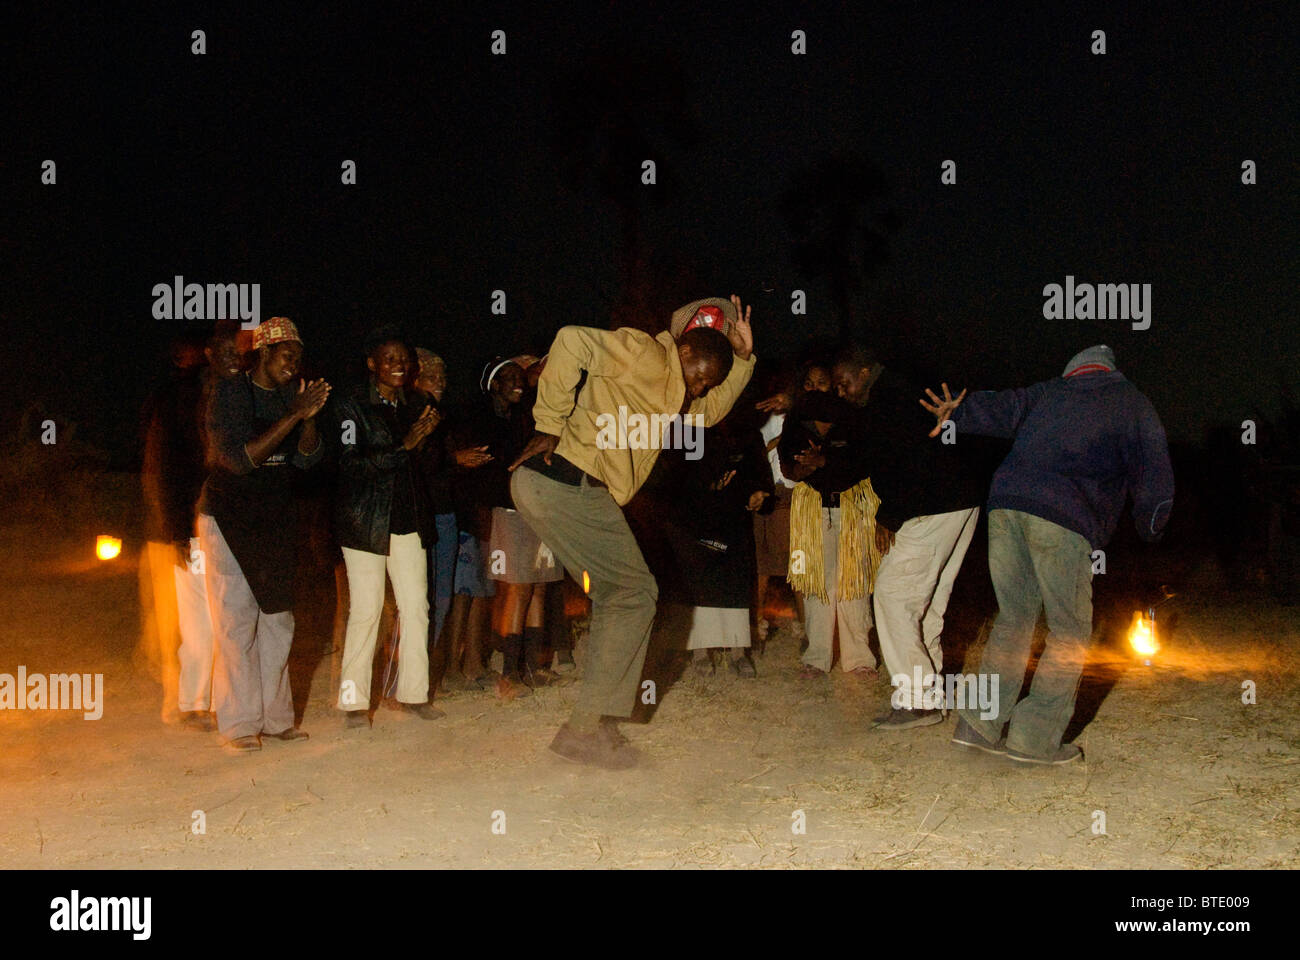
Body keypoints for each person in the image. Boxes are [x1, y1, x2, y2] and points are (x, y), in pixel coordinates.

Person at [509, 295, 756, 769]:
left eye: (711, 383)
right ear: (685, 348)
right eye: (702, 375)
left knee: (621, 595)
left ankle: (593, 723)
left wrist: (742, 361)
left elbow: (706, 416)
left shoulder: (674, 396)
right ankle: (585, 728)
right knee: (634, 593)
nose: (703, 388)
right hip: (563, 477)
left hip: (565, 488)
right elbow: (571, 340)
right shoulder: (644, 352)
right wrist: (548, 424)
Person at [924, 345, 1175, 765]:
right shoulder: (1132, 401)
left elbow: (1006, 405)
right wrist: (1153, 525)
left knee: (1014, 618)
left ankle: (978, 724)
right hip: (1064, 515)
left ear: (1072, 371)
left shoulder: (1051, 392)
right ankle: (1033, 739)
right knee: (1069, 630)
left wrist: (961, 412)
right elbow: (1155, 472)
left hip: (1005, 505)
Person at [830, 345, 984, 730]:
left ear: (864, 372)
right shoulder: (900, 388)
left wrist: (889, 518)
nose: (841, 391)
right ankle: (929, 692)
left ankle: (918, 701)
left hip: (934, 504)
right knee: (926, 600)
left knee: (894, 594)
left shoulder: (888, 400)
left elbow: (900, 460)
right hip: (963, 500)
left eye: (843, 382)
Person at [197, 317, 329, 753]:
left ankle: (275, 719)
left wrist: (308, 418)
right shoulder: (232, 392)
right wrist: (294, 414)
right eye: (286, 354)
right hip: (229, 518)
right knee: (237, 622)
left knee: (278, 620)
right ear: (264, 353)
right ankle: (238, 724)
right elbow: (239, 461)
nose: (294, 363)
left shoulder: (292, 396)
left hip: (274, 519)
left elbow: (308, 462)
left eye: (298, 355)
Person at [333, 328, 443, 728]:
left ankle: (414, 694)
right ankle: (354, 703)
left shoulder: (416, 404)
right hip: (365, 522)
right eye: (389, 358)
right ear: (372, 364)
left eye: (403, 359)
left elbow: (427, 469)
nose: (398, 364)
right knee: (366, 611)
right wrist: (406, 446)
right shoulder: (350, 406)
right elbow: (350, 465)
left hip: (407, 521)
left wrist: (427, 441)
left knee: (417, 608)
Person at [777, 380, 882, 680]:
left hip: (853, 509)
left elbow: (865, 465)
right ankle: (816, 658)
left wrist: (825, 461)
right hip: (812, 511)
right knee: (816, 585)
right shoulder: (796, 424)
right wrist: (804, 470)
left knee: (854, 583)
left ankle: (860, 659)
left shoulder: (854, 422)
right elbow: (787, 468)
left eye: (826, 384)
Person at [481, 356, 565, 697]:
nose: (521, 382)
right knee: (518, 589)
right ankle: (508, 675)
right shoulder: (502, 419)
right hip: (513, 511)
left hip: (542, 510)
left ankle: (530, 667)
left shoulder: (536, 411)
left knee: (539, 587)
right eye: (512, 377)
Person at [663, 417, 772, 677]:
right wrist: (707, 487)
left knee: (736, 583)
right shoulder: (687, 427)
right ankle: (700, 653)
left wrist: (760, 495)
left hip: (735, 519)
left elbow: (760, 475)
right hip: (695, 519)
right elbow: (673, 476)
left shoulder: (746, 430)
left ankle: (738, 652)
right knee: (700, 585)